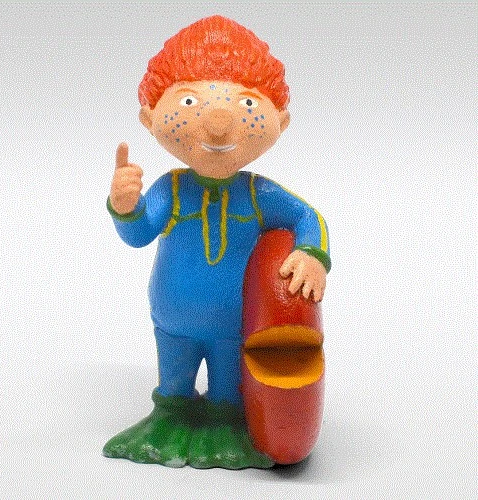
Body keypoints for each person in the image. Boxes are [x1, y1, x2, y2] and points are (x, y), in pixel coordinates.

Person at [103, 15, 330, 469]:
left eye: (246, 103)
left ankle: (226, 426)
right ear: (150, 117)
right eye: (190, 100)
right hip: (172, 319)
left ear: (280, 121)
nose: (219, 122)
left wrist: (312, 254)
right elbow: (138, 234)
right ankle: (170, 417)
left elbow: (309, 217)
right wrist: (124, 206)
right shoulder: (170, 189)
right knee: (174, 381)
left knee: (228, 389)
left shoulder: (258, 194)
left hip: (236, 326)